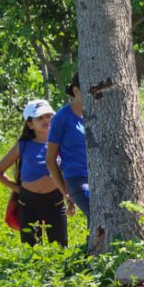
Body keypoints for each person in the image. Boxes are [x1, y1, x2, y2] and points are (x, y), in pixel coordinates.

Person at [0, 100, 74, 246]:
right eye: (40, 118)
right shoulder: (23, 145)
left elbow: (71, 172)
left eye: (48, 116)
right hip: (28, 203)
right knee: (31, 248)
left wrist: (70, 198)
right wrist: (20, 190)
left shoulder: (62, 144)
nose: (46, 120)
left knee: (61, 247)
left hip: (55, 202)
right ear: (30, 124)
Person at [47, 73, 89, 222]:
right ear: (76, 91)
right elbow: (50, 160)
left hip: (99, 177)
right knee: (97, 215)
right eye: (88, 90)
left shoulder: (97, 114)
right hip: (76, 179)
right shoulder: (61, 118)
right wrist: (66, 193)